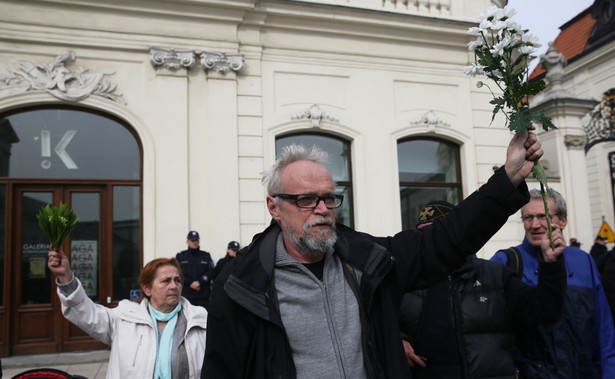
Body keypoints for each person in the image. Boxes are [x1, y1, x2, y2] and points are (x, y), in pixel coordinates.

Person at [203, 130, 543, 379]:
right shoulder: (241, 286)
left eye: (329, 198)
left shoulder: (367, 262)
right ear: (274, 207)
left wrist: (508, 178)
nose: (322, 209)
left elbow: (445, 240)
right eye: (307, 199)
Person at [400, 200, 567, 379]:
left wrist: (551, 264)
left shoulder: (495, 276)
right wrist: (394, 342)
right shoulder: (405, 281)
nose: (428, 240)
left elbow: (545, 311)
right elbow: (374, 325)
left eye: (435, 232)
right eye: (422, 233)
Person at [491, 188, 615, 378]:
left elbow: (603, 330)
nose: (535, 224)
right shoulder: (506, 262)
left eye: (543, 217)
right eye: (528, 218)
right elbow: (486, 327)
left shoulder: (583, 262)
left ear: (563, 221)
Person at [47, 251, 207, 379]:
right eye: (166, 281)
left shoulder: (199, 320)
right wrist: (66, 277)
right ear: (147, 289)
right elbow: (84, 311)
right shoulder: (124, 318)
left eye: (177, 280)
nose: (174, 286)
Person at [176, 231, 215, 309]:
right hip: (186, 294)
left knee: (204, 318)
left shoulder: (205, 255)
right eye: (192, 240)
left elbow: (211, 271)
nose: (195, 242)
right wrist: (190, 283)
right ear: (187, 242)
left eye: (196, 240)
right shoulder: (181, 256)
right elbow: (178, 272)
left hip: (203, 294)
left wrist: (200, 282)